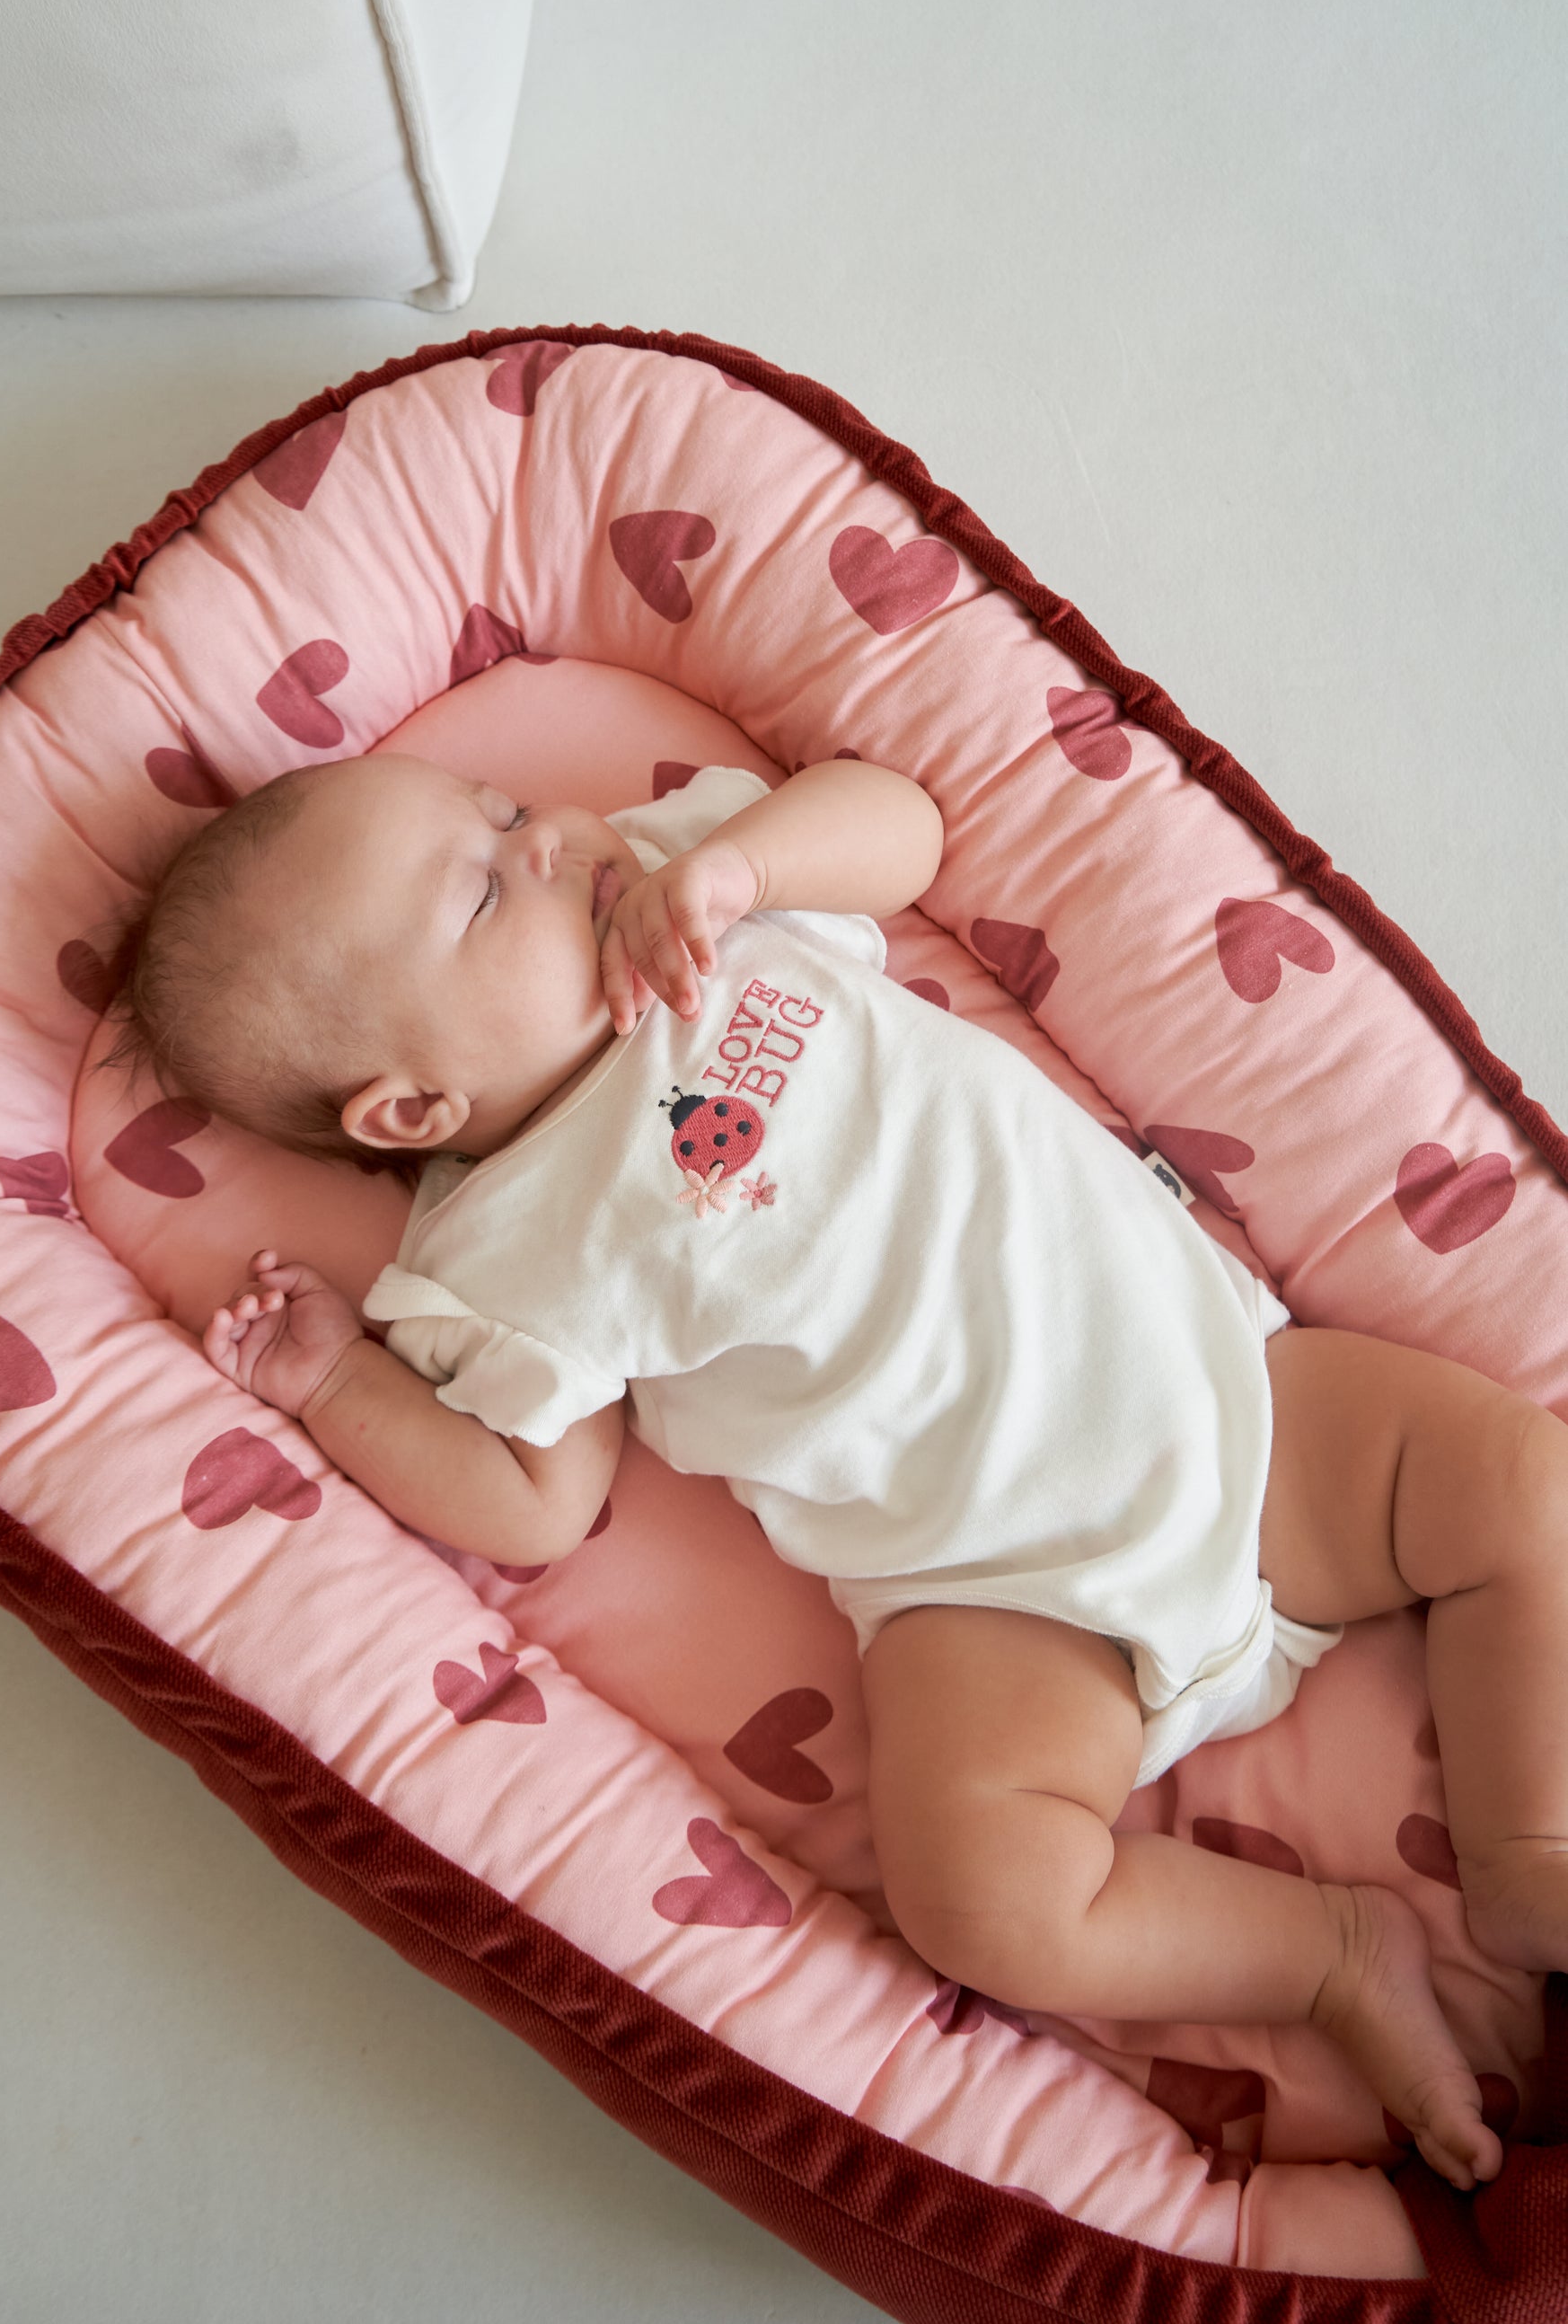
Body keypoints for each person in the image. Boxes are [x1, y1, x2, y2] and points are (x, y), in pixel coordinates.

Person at [112, 747, 1568, 2192]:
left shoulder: (702, 894)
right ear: (412, 1112)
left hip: (1230, 1406)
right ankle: (1327, 1955)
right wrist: (335, 1382)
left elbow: (905, 830)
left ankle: (1522, 1853)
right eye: (489, 890)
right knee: (983, 1899)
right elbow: (532, 1500)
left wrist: (744, 867)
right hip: (1001, 1595)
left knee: (1517, 1483)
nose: (551, 834)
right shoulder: (500, 1253)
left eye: (502, 809)